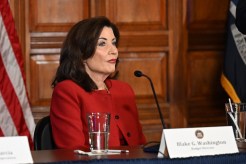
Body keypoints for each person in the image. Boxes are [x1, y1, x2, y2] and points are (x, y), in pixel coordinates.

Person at [50, 16, 146, 150]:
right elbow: (72, 151)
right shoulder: (67, 91)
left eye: (114, 42)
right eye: (102, 44)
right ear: (82, 53)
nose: (113, 51)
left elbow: (141, 145)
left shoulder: (124, 90)